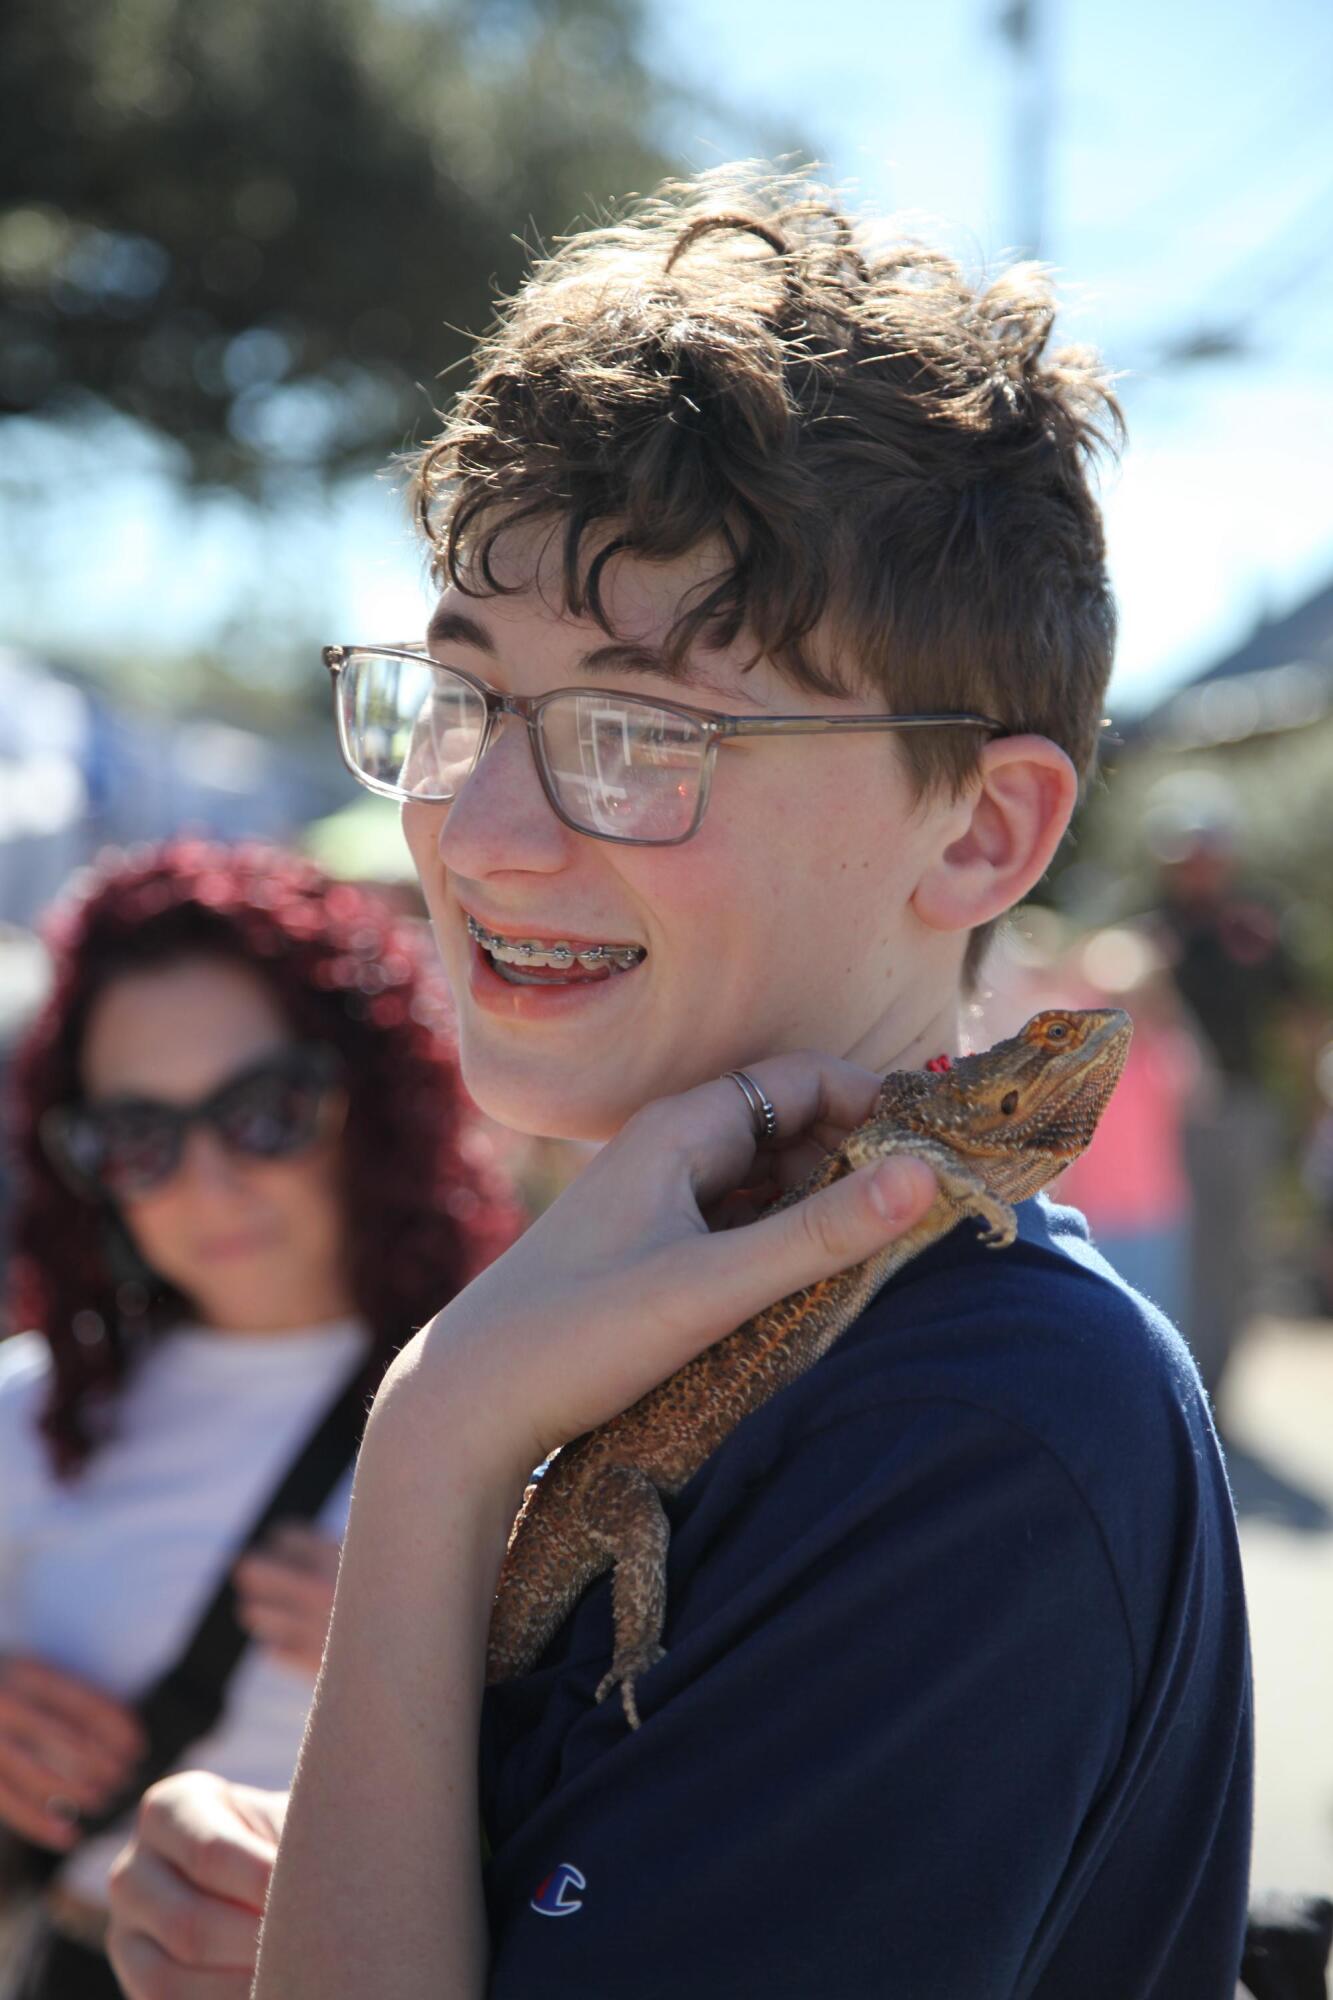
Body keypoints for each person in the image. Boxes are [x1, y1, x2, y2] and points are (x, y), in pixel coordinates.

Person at [107, 165, 1253, 2000]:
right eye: (458, 696)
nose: (474, 835)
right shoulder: (641, 1296)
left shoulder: (969, 1428)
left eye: (636, 736)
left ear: (980, 830)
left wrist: (428, 1446)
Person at [0, 840, 518, 1997]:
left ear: (369, 1097)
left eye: (264, 1111)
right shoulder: (22, 1413)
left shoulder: (528, 1385)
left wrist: (434, 1647)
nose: (208, 1180)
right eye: (138, 1132)